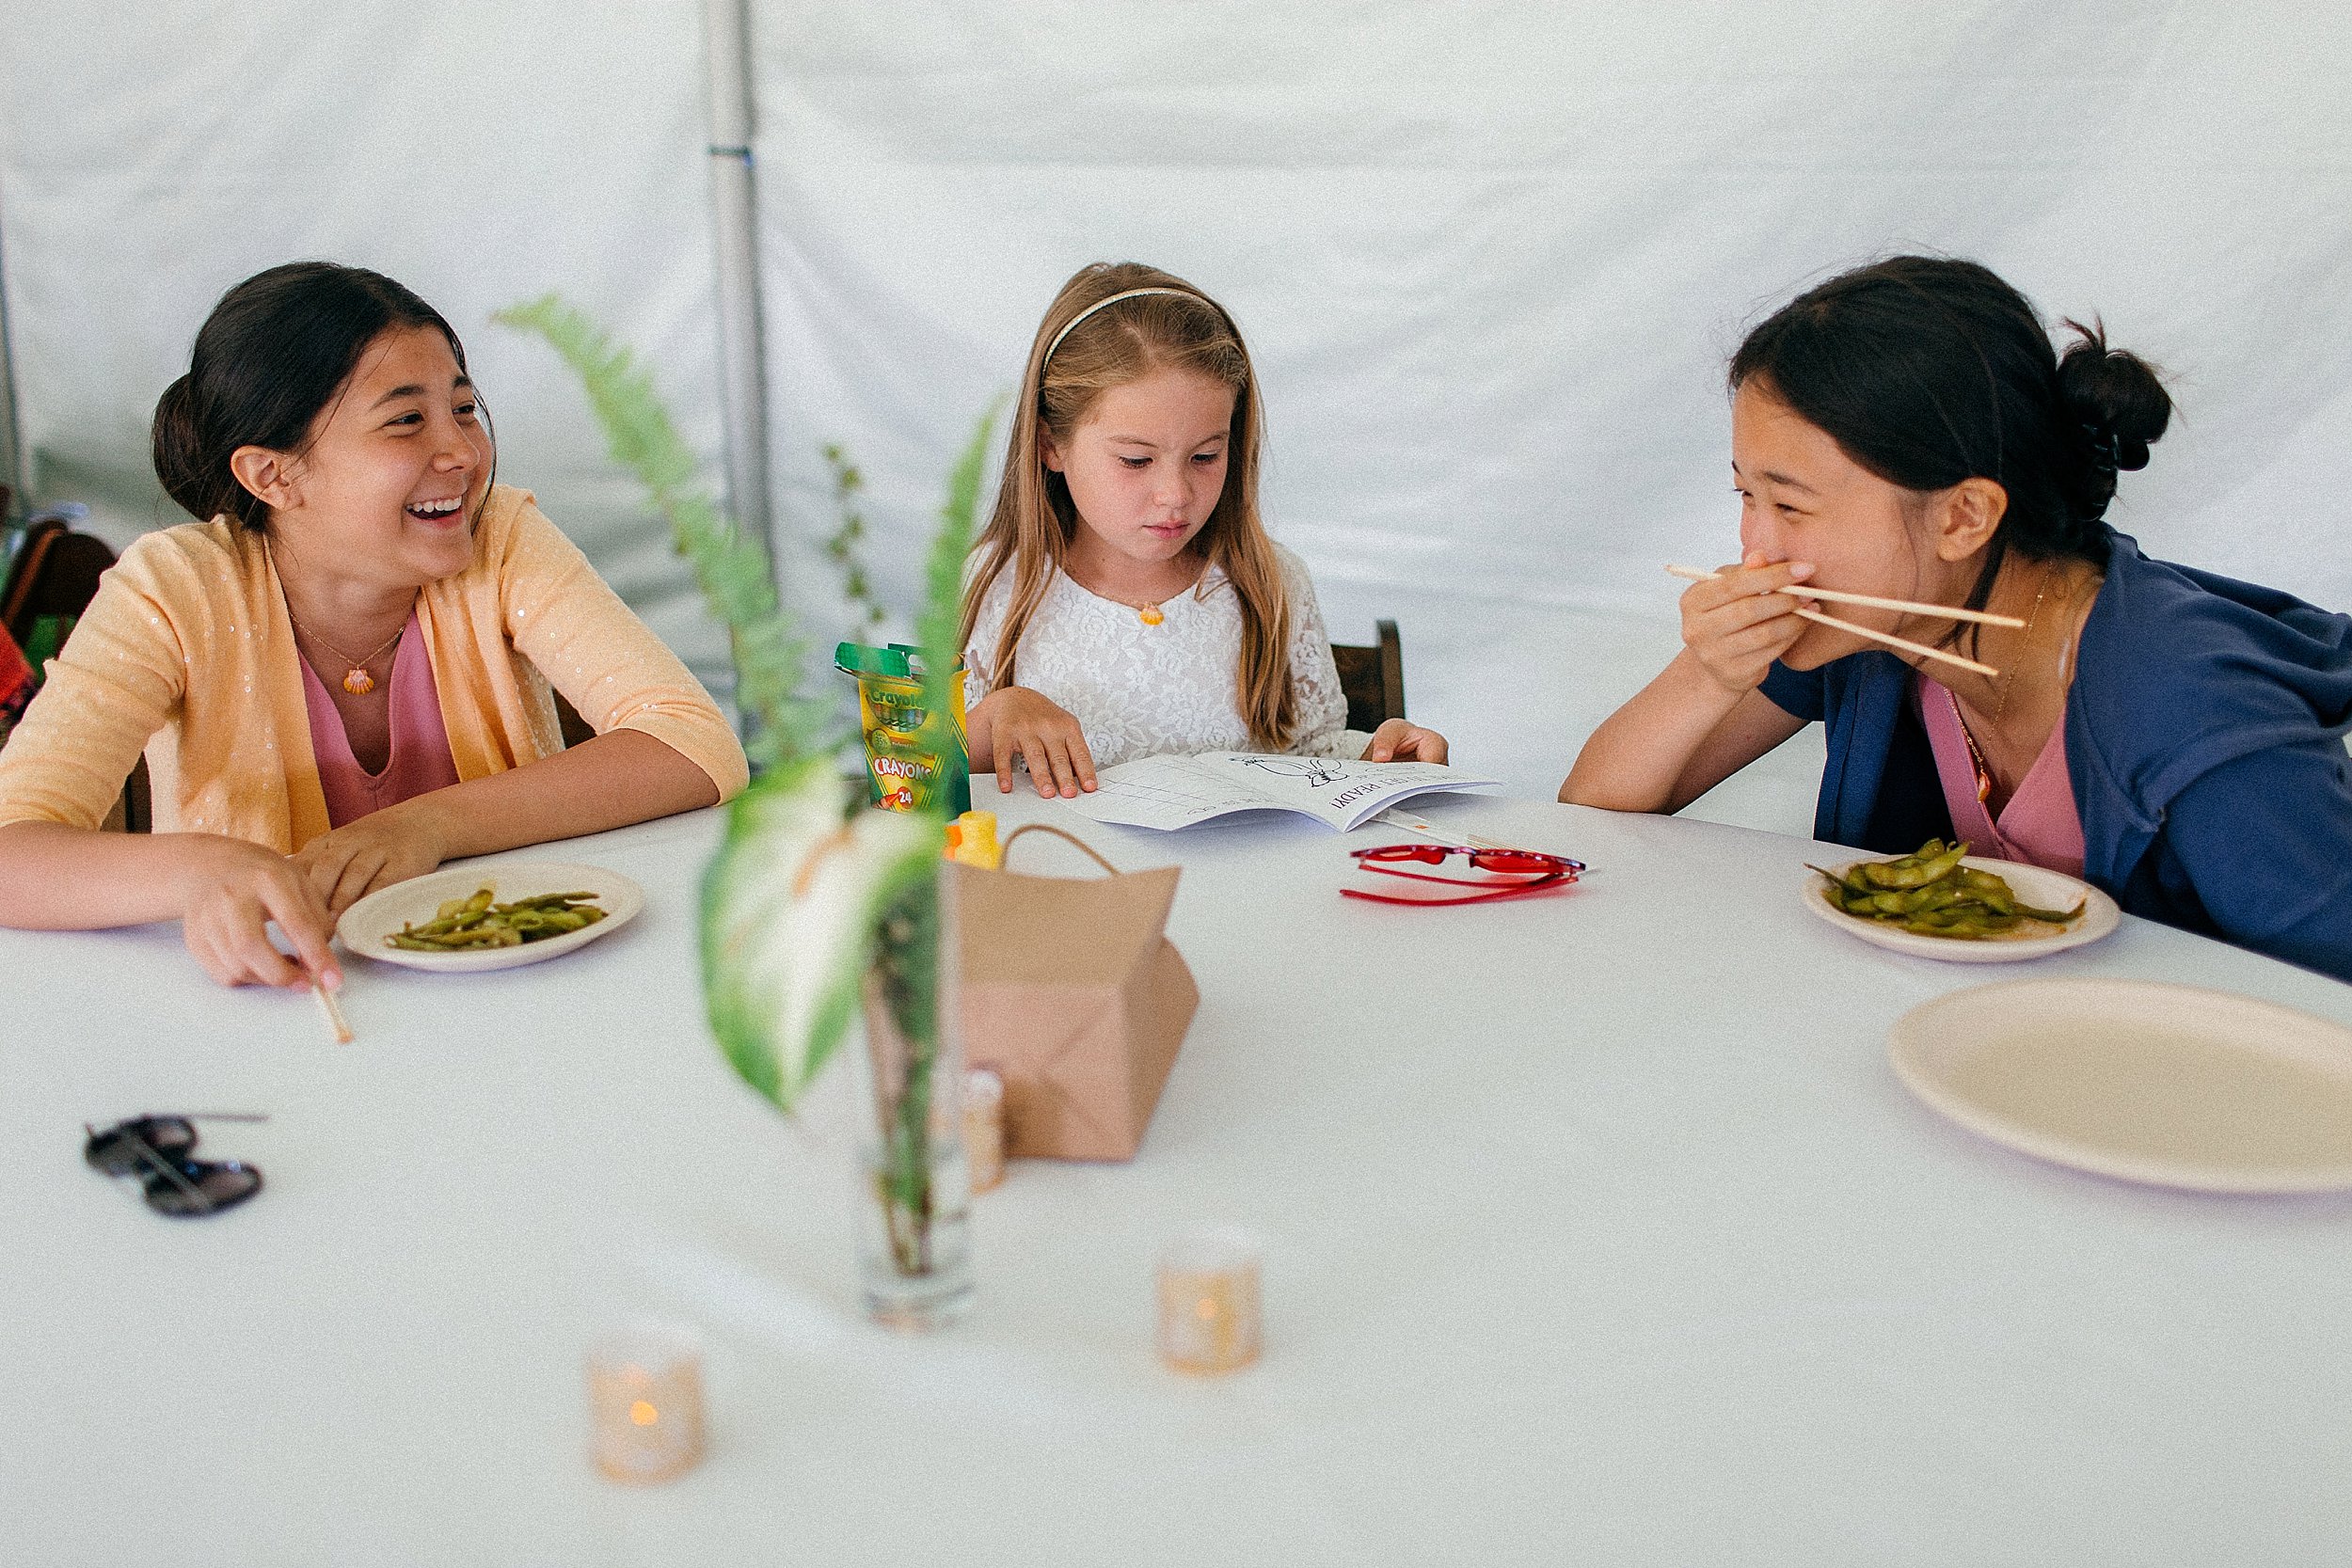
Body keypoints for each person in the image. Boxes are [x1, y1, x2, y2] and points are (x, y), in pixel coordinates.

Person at [1562, 256, 2352, 982]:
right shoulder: (1875, 632)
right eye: (1747, 497)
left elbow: (2331, 987)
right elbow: (1591, 816)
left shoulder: (2193, 707)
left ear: (1965, 516)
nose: (1754, 550)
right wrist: (1705, 672)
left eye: (1791, 505)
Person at [0, 262, 749, 990]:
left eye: (462, 408)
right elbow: (12, 851)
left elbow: (694, 744)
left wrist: (423, 827)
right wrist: (208, 868)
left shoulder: (502, 540)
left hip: (513, 986)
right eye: (406, 421)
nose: (461, 451)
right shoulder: (172, 590)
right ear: (273, 475)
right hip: (293, 999)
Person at [961, 261, 1448, 798]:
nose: (1176, 494)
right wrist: (993, 718)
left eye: (1205, 455)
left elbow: (1314, 755)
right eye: (1136, 460)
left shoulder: (1269, 582)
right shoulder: (998, 584)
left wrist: (1382, 756)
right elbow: (926, 784)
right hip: (1063, 877)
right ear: (1051, 445)